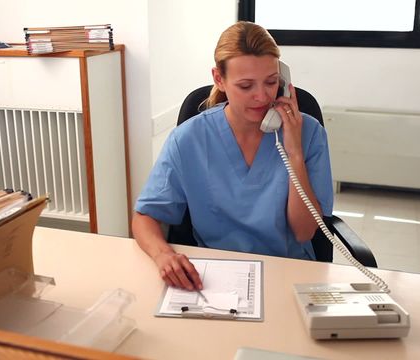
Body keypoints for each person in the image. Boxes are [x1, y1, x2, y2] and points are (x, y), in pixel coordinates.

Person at [132, 21, 333, 291]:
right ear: (219, 79)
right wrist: (163, 255)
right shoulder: (190, 138)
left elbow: (304, 232)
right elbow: (145, 217)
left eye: (271, 82)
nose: (261, 96)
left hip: (288, 273)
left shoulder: (308, 133)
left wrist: (294, 151)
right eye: (246, 86)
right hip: (214, 278)